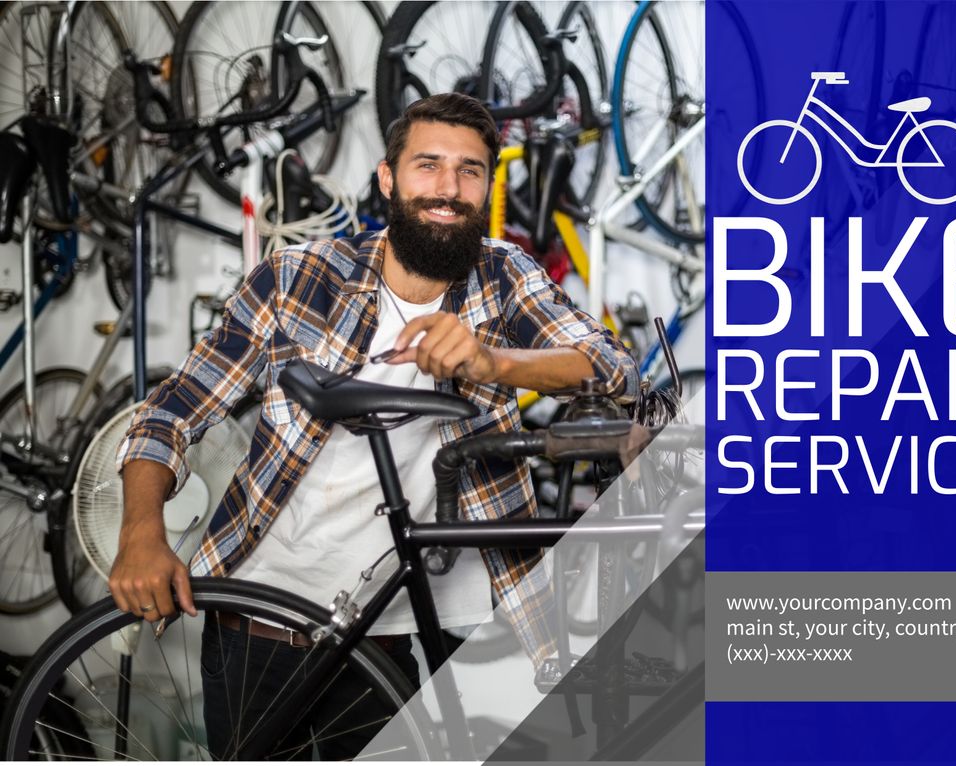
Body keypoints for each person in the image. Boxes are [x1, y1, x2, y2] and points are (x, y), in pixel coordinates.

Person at [109, 92, 638, 757]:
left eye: (470, 170)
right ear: (388, 179)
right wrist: (140, 535)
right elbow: (171, 410)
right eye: (428, 165)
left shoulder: (503, 276)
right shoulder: (296, 280)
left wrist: (493, 359)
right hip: (270, 618)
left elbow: (611, 368)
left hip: (424, 620)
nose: (448, 188)